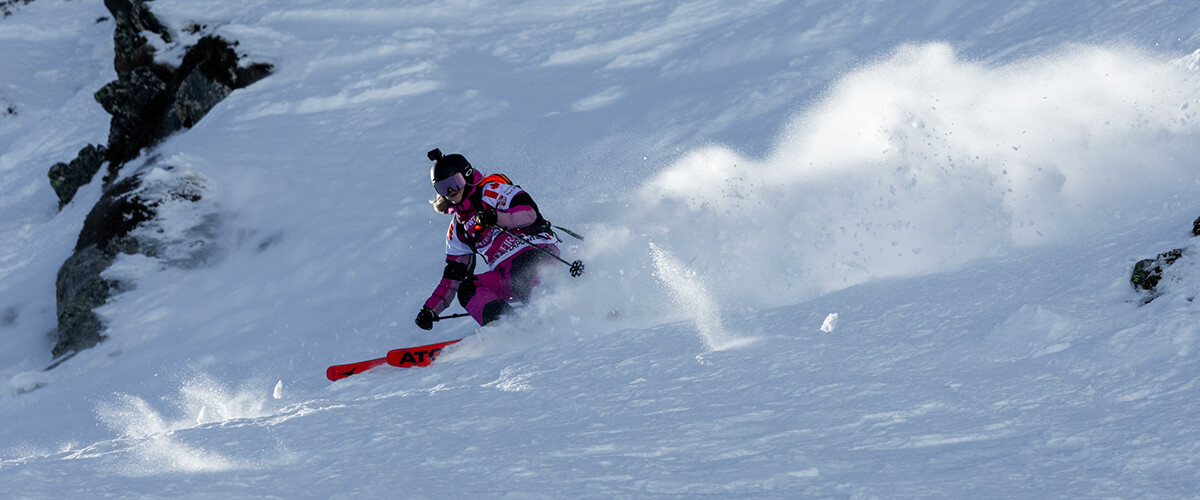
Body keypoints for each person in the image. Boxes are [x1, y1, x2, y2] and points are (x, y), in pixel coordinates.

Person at [415, 148, 561, 330]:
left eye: (455, 182)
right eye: (444, 188)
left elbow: (529, 213)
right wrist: (431, 309)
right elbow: (453, 277)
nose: (451, 191)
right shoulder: (458, 228)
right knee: (468, 289)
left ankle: (555, 315)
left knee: (522, 271)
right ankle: (503, 327)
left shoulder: (490, 191)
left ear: (467, 176)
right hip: (506, 275)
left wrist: (496, 217)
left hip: (537, 254)